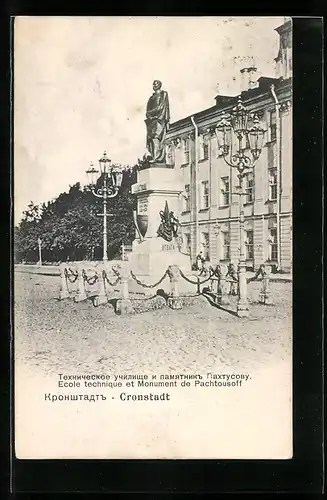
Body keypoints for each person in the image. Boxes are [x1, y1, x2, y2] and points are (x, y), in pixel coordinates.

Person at [145, 80, 170, 163]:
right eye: (153, 84)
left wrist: (151, 113)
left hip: (159, 119)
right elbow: (147, 110)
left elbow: (161, 107)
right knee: (151, 139)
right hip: (151, 121)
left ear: (159, 85)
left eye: (155, 84)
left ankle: (157, 157)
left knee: (157, 137)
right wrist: (149, 115)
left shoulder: (163, 94)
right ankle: (153, 156)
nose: (154, 85)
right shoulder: (151, 98)